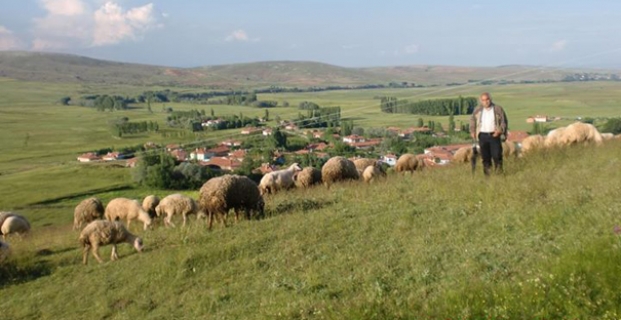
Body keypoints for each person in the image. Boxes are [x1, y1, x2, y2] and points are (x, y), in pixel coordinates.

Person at [469, 92, 508, 175]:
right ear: (480, 101)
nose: (485, 102)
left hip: (494, 135)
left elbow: (504, 121)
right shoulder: (478, 110)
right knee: (485, 157)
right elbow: (472, 120)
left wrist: (500, 130)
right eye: (483, 100)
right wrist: (472, 131)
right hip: (482, 135)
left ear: (490, 99)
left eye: (487, 99)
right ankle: (488, 176)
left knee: (497, 155)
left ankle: (499, 174)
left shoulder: (497, 109)